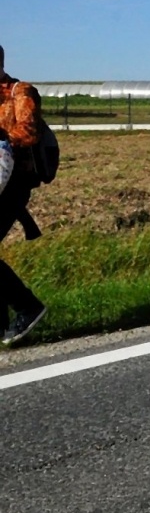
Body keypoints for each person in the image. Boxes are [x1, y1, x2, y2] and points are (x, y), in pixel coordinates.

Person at [0, 47, 47, 346]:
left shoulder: (22, 92)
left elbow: (29, 132)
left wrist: (2, 138)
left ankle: (29, 307)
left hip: (13, 183)